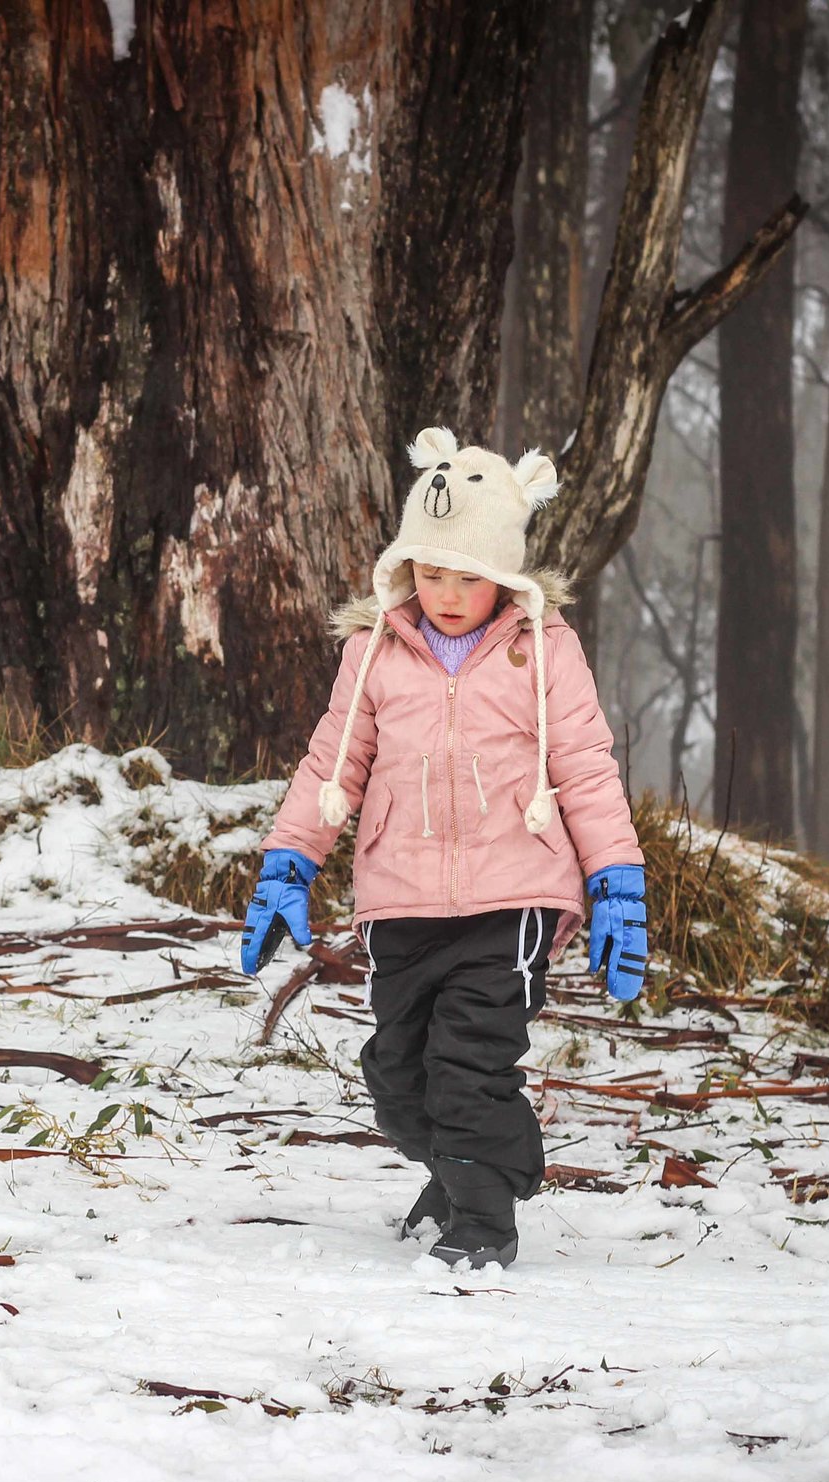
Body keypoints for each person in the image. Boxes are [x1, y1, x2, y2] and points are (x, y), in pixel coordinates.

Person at [238, 427, 648, 1270]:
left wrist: (616, 881)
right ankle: (468, 1173)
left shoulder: (544, 653)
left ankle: (484, 1220)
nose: (449, 592)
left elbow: (586, 766)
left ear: (504, 574)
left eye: (470, 575)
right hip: (403, 900)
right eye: (431, 571)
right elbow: (333, 762)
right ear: (406, 564)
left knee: (467, 1066)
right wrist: (291, 860)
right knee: (398, 1075)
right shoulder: (374, 652)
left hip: (514, 899)